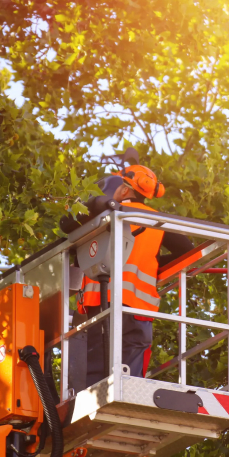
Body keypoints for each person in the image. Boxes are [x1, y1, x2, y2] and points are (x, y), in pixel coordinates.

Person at [59, 165, 193, 390]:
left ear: (123, 190)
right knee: (130, 376)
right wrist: (153, 264)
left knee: (96, 373)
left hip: (99, 306)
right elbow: (188, 251)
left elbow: (70, 233)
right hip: (138, 312)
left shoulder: (101, 216)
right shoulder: (157, 222)